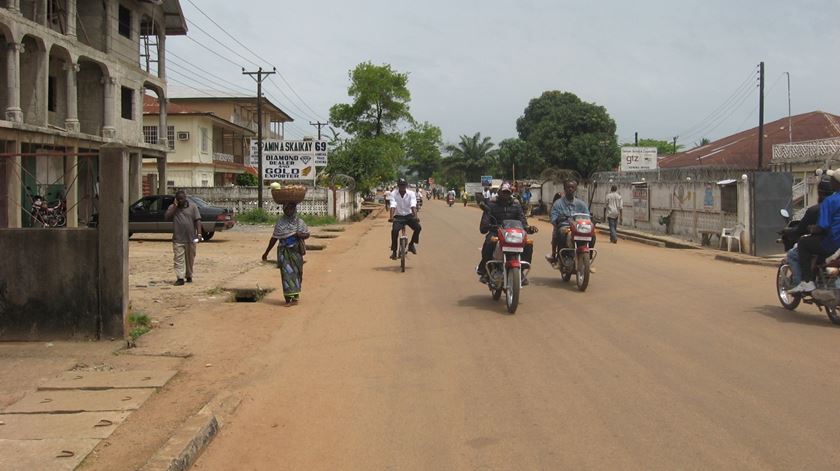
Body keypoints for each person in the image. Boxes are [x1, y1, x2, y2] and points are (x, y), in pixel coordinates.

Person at [477, 182, 538, 285]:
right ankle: (485, 270)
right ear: (499, 192)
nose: (505, 195)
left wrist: (529, 228)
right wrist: (487, 225)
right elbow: (484, 224)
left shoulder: (516, 204)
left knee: (528, 244)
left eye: (507, 193)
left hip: (512, 233)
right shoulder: (491, 205)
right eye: (503, 192)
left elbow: (522, 221)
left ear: (511, 193)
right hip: (496, 232)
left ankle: (521, 271)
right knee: (489, 242)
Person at [790, 172, 840, 293]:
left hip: (832, 243)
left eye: (832, 180)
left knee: (803, 243)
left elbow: (822, 227)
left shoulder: (830, 201)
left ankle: (806, 281)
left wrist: (811, 228)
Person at [262, 202, 310, 305]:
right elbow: (274, 238)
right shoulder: (280, 222)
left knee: (297, 273)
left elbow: (307, 234)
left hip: (296, 252)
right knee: (286, 275)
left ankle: (295, 296)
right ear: (284, 210)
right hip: (284, 253)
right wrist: (266, 252)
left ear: (295, 209)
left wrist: (300, 234)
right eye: (287, 209)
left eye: (292, 209)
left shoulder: (299, 222)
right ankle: (288, 298)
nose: (289, 211)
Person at [546, 180, 595, 266]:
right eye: (568, 187)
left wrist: (591, 220)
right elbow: (553, 217)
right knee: (561, 233)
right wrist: (557, 219)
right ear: (564, 188)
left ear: (575, 189)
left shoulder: (581, 204)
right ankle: (563, 257)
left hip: (579, 228)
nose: (570, 189)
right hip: (565, 227)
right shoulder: (558, 204)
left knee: (592, 235)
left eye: (572, 187)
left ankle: (589, 257)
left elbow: (587, 216)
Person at [165, 190, 202, 286]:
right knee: (178, 259)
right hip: (178, 239)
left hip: (191, 238)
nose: (181, 201)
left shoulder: (193, 207)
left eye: (182, 198)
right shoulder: (173, 208)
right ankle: (180, 278)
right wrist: (175, 207)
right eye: (178, 199)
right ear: (176, 200)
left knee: (190, 259)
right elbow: (167, 217)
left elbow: (197, 220)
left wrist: (199, 234)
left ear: (186, 198)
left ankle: (189, 275)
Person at [389, 178, 422, 259]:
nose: (402, 187)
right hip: (398, 216)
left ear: (406, 185)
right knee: (394, 231)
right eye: (400, 185)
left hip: (409, 215)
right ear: (398, 185)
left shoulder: (411, 193)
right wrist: (391, 217)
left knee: (418, 228)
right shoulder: (393, 194)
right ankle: (394, 251)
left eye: (403, 185)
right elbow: (393, 205)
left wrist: (416, 216)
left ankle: (411, 245)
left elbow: (413, 205)